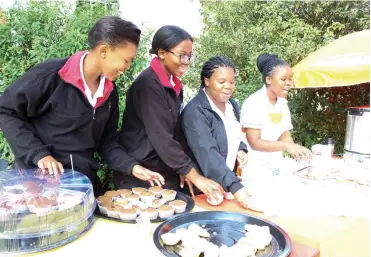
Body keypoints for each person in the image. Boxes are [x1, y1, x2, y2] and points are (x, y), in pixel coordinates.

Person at [0, 16, 164, 194]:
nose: (128, 66)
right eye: (126, 60)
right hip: (39, 187)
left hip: (80, 186)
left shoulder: (109, 93)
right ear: (104, 51)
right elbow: (6, 110)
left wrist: (132, 166)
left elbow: (106, 143)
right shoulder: (51, 76)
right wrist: (38, 154)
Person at [116, 25, 224, 200]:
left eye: (189, 56)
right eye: (182, 55)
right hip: (141, 173)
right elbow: (162, 138)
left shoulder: (174, 85)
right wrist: (194, 176)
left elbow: (175, 132)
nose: (186, 61)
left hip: (165, 170)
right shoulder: (148, 85)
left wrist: (184, 170)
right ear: (162, 52)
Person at [181, 56, 250, 208]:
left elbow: (235, 135)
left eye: (232, 82)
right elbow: (207, 152)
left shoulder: (232, 105)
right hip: (203, 189)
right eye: (222, 82)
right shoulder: (195, 111)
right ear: (207, 81)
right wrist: (236, 187)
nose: (228, 87)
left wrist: (241, 149)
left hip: (226, 185)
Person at [240, 53, 311, 168]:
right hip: (253, 167)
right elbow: (255, 142)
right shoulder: (254, 103)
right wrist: (286, 146)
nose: (288, 83)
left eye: (290, 79)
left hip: (274, 165)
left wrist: (296, 150)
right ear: (268, 79)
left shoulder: (282, 103)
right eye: (283, 79)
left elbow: (285, 135)